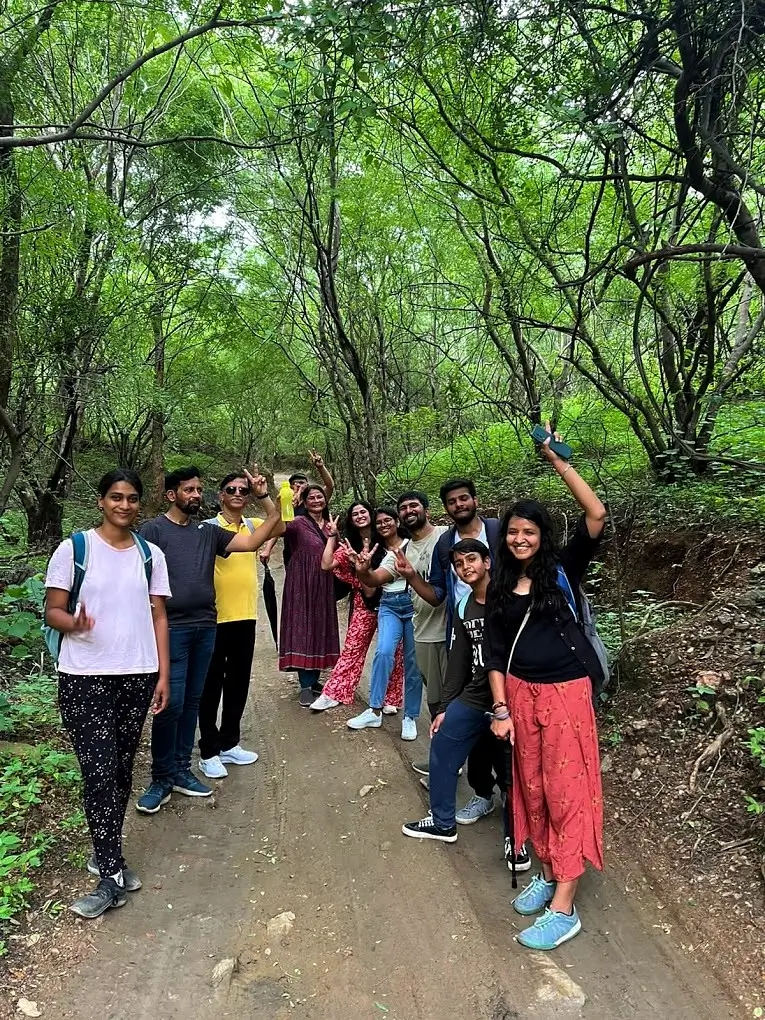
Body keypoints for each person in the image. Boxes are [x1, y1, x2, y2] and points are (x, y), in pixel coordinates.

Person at [485, 425, 607, 950]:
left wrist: (559, 463)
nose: (520, 538)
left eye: (529, 531)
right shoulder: (498, 584)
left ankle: (565, 904)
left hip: (565, 693)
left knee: (566, 791)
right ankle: (549, 868)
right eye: (513, 531)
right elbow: (494, 651)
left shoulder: (562, 569)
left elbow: (596, 515)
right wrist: (500, 709)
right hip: (519, 693)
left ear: (542, 535)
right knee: (531, 787)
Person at [44, 468, 171, 918]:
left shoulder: (151, 554)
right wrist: (74, 622)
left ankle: (106, 855)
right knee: (98, 771)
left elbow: (159, 616)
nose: (124, 505)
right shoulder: (74, 549)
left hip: (137, 673)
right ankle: (111, 877)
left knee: (119, 771)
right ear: (101, 501)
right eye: (116, 497)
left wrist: (163, 674)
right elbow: (53, 610)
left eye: (132, 498)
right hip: (84, 675)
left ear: (140, 504)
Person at [136, 465, 283, 814]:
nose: (196, 495)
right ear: (171, 494)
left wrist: (264, 496)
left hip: (206, 626)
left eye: (199, 490)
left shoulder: (208, 532)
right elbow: (137, 575)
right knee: (170, 703)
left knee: (192, 701)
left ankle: (181, 770)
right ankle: (161, 778)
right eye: (189, 490)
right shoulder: (153, 530)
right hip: (171, 628)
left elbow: (257, 539)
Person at [400, 540, 530, 873]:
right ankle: (442, 822)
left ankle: (516, 841)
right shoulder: (463, 606)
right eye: (459, 564)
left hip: (514, 697)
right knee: (442, 742)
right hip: (475, 695)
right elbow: (457, 661)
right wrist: (445, 707)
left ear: (487, 561)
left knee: (512, 771)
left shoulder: (512, 598)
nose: (465, 567)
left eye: (471, 559)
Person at [393, 478, 502, 819]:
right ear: (445, 508)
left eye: (463, 498)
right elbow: (439, 594)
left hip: (506, 635)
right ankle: (481, 792)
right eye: (452, 501)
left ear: (475, 500)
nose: (459, 505)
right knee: (472, 710)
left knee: (505, 715)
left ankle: (515, 805)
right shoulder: (445, 543)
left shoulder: (498, 531)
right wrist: (412, 576)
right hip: (465, 633)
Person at [197, 472, 266, 780]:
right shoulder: (207, 528)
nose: (238, 493)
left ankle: (229, 743)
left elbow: (282, 523)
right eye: (231, 489)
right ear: (221, 495)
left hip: (245, 616)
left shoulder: (251, 525)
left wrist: (263, 494)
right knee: (210, 686)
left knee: (238, 684)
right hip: (214, 619)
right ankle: (208, 751)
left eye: (243, 490)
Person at [310, 502, 404, 713]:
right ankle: (334, 693)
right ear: (351, 520)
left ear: (371, 514)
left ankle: (391, 698)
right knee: (353, 648)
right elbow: (326, 564)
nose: (360, 516)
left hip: (391, 601)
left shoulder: (385, 539)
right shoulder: (349, 544)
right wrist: (332, 536)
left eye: (363, 512)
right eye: (355, 514)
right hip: (364, 602)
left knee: (393, 651)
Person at [347, 507, 422, 740]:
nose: (383, 525)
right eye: (379, 522)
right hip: (388, 604)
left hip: (413, 604)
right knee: (383, 652)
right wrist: (360, 568)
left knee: (413, 661)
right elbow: (371, 587)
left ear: (397, 521)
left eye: (387, 520)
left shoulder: (413, 545)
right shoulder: (376, 551)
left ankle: (410, 716)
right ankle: (374, 709)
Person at [391, 492, 448, 779]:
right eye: (403, 508)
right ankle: (444, 760)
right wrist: (362, 570)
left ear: (426, 509)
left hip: (455, 631)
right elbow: (376, 578)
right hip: (424, 632)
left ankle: (450, 763)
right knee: (436, 701)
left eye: (414, 505)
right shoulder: (403, 550)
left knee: (460, 701)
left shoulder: (446, 536)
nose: (408, 510)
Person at [278, 483, 340, 706]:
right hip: (301, 582)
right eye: (311, 498)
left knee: (319, 628)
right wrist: (279, 503)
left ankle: (313, 681)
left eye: (319, 497)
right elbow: (279, 528)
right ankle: (305, 685)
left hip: (324, 582)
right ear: (304, 502)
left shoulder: (331, 525)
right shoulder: (297, 523)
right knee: (302, 628)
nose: (316, 501)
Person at [260, 451, 334, 565]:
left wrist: (320, 467)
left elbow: (330, 486)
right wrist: (267, 549)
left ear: (307, 485)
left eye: (301, 482)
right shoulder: (286, 504)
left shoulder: (315, 502)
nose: (298, 485)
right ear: (290, 486)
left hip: (319, 551)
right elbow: (278, 526)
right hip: (293, 553)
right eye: (294, 483)